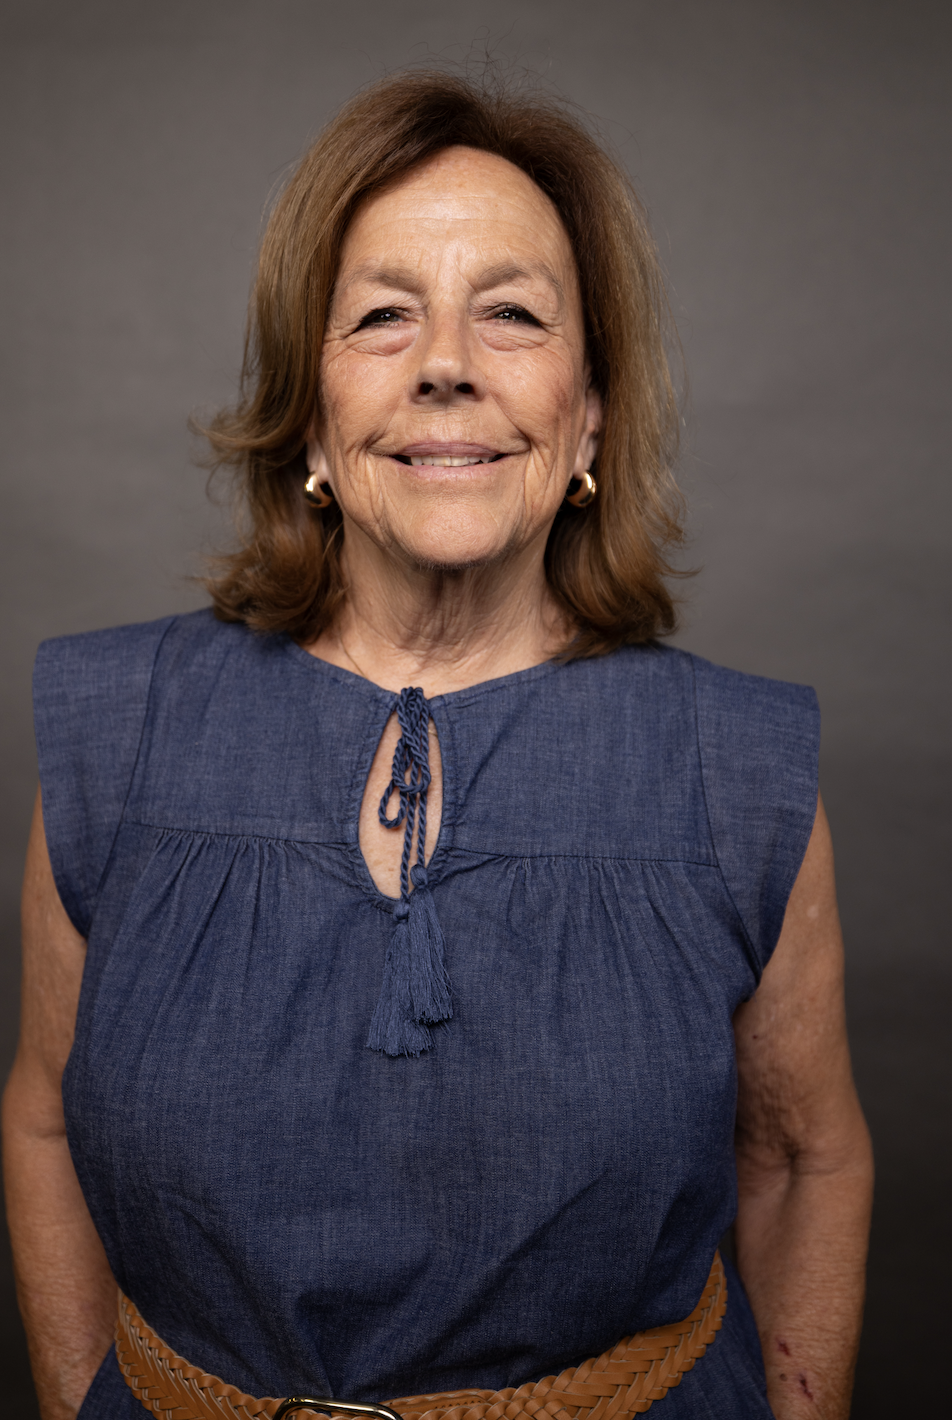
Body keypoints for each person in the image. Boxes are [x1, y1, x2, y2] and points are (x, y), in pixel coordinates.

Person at [3, 70, 873, 1420]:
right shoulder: (116, 734)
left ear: (587, 415)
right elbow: (46, 1119)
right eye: (383, 316)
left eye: (513, 315)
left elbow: (806, 1161)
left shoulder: (737, 769)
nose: (446, 363)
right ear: (309, 415)